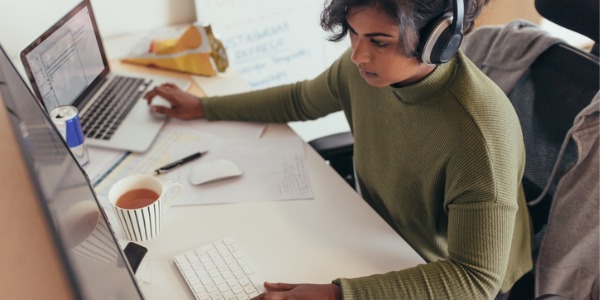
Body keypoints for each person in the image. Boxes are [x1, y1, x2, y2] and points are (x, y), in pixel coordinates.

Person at [144, 0, 533, 298]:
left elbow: (475, 279)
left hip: (435, 272)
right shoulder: (365, 70)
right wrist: (204, 107)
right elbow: (300, 100)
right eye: (353, 33)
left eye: (379, 41)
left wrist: (338, 294)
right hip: (376, 230)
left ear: (439, 41)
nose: (358, 56)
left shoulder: (480, 136)